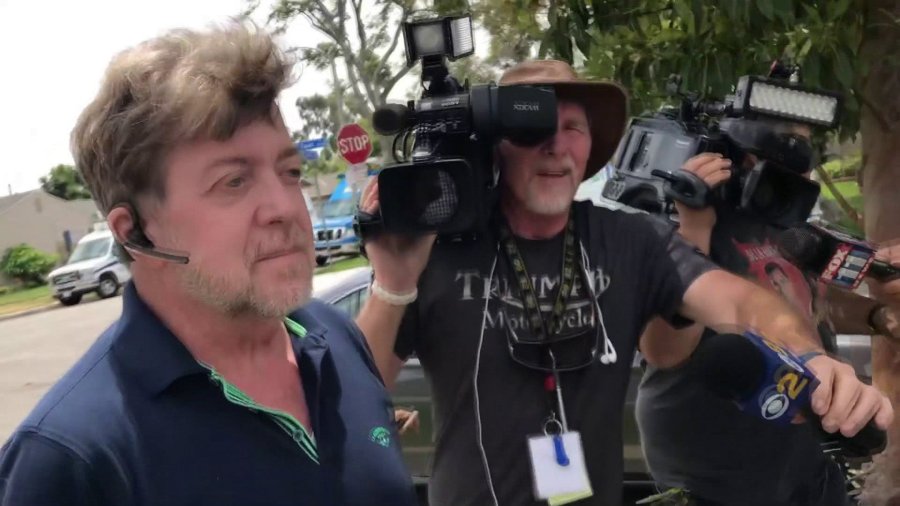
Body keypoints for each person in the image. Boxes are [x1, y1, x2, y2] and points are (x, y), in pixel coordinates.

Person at [354, 59, 894, 506]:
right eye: (532, 126)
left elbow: (743, 304)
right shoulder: (437, 247)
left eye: (574, 128)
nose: (555, 146)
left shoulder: (630, 240)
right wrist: (392, 282)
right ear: (496, 143)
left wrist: (811, 358)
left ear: (591, 150)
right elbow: (358, 389)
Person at [0, 22, 416, 506]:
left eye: (290, 172)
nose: (284, 206)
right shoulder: (71, 457)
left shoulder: (334, 336)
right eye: (233, 183)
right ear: (134, 232)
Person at [636, 120, 900, 505]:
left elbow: (812, 302)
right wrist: (694, 227)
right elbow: (662, 350)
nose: (801, 165)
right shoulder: (687, 227)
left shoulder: (790, 229)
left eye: (806, 150)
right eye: (784, 150)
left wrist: (879, 316)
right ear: (739, 157)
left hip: (806, 464)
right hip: (717, 475)